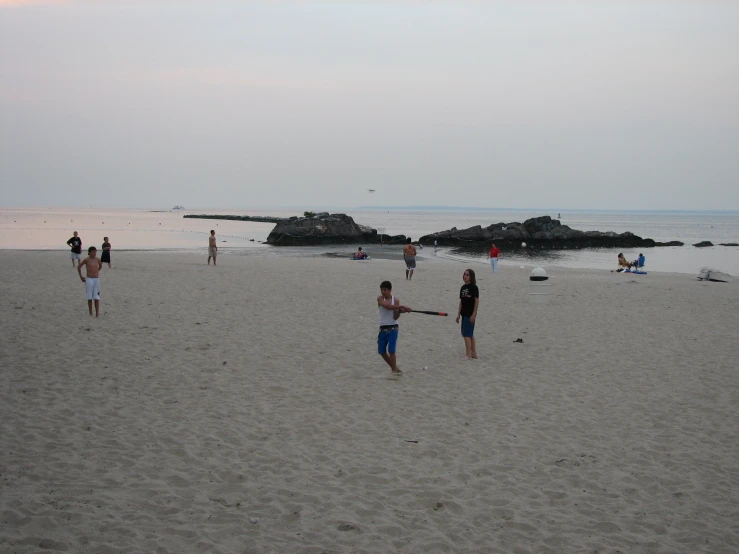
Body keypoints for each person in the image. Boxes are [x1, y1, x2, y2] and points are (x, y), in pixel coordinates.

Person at [377, 281, 411, 375]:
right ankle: (394, 367)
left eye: (385, 290)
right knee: (382, 351)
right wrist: (402, 306)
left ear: (390, 290)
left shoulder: (395, 300)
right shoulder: (380, 298)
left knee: (391, 350)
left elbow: (395, 316)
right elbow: (387, 306)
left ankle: (393, 370)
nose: (383, 292)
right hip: (383, 328)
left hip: (393, 328)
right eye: (381, 290)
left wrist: (400, 311)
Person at [456, 269, 479, 360]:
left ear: (471, 277)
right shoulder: (463, 288)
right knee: (470, 334)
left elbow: (476, 301)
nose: (465, 276)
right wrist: (458, 314)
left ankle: (468, 354)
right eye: (464, 274)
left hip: (470, 315)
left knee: (466, 334)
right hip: (464, 314)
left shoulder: (474, 287)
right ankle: (473, 353)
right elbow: (461, 302)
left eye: (467, 275)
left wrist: (474, 315)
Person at [78, 246, 103, 317]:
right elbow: (79, 267)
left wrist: (97, 271)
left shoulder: (97, 259)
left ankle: (97, 313)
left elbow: (100, 266)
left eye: (95, 252)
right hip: (89, 279)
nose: (94, 253)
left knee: (97, 297)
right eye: (93, 252)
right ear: (89, 252)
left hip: (96, 279)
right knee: (89, 297)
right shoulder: (86, 260)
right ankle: (90, 312)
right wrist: (81, 276)